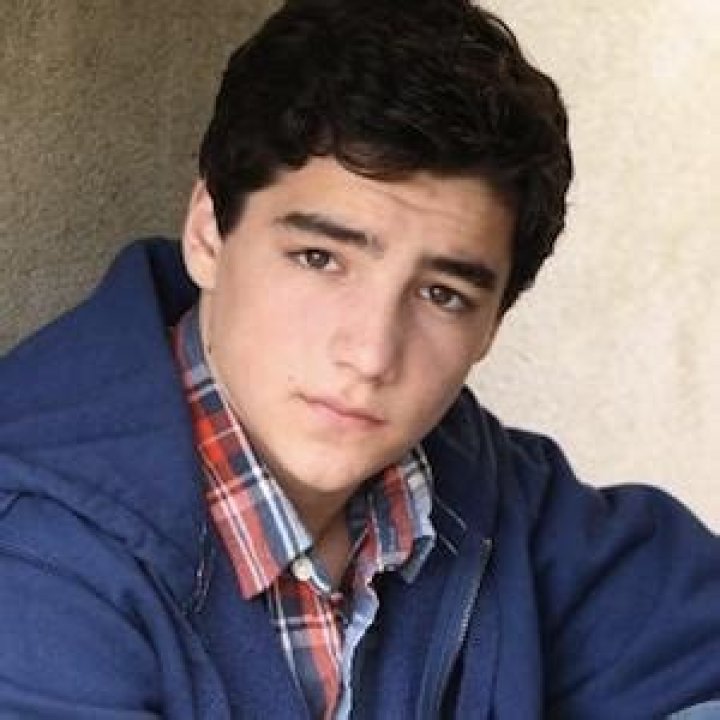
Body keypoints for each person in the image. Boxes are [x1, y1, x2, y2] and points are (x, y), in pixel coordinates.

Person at [0, 0, 718, 717]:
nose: (371, 353)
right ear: (208, 234)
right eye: (320, 258)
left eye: (442, 295)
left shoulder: (483, 491)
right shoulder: (34, 558)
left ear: (493, 325)